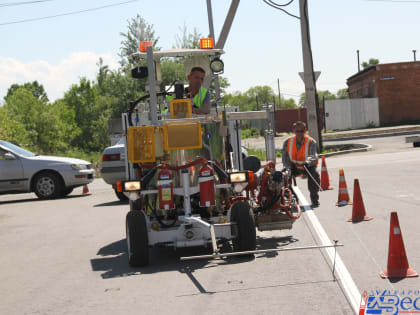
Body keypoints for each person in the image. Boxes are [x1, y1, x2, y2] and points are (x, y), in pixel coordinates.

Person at [282, 121, 320, 207]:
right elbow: (285, 158)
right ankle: (293, 198)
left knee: (315, 174)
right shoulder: (287, 142)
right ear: (294, 131)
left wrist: (308, 162)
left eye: (302, 131)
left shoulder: (311, 142)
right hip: (294, 166)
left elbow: (313, 155)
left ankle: (314, 199)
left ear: (305, 130)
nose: (299, 133)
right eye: (297, 131)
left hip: (307, 166)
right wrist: (288, 168)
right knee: (283, 176)